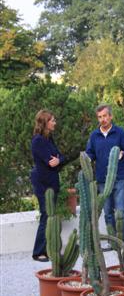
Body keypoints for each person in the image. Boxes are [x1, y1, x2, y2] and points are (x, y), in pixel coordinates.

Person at [86, 104, 124, 237]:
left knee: (121, 211)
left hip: (119, 177)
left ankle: (123, 240)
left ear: (110, 116)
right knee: (107, 212)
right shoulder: (94, 135)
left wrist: (123, 154)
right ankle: (113, 239)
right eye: (100, 117)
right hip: (102, 179)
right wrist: (86, 159)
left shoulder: (120, 132)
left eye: (105, 116)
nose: (102, 119)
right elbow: (90, 153)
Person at [30, 110, 65, 262]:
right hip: (43, 184)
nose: (55, 122)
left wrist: (58, 160)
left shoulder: (49, 138)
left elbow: (59, 157)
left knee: (50, 216)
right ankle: (38, 252)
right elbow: (50, 163)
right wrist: (57, 161)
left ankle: (48, 250)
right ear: (45, 122)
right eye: (52, 120)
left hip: (52, 183)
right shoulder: (38, 141)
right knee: (46, 216)